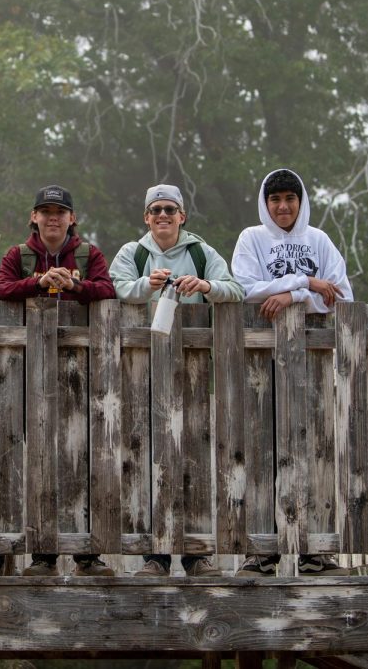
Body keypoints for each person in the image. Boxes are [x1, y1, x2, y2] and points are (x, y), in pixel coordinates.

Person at [109, 183, 243, 577]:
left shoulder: (202, 253)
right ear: (146, 218)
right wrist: (145, 285)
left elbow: (235, 289)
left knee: (195, 457)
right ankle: (155, 556)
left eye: (170, 209)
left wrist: (204, 286)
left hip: (195, 371)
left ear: (182, 216)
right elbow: (114, 288)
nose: (163, 216)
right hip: (141, 369)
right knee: (145, 455)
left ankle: (195, 554)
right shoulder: (132, 254)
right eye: (156, 210)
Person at [231, 167, 353, 576]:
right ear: (265, 203)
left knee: (316, 446)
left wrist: (290, 294)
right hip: (260, 359)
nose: (283, 207)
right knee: (262, 449)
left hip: (313, 360)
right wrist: (307, 283)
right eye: (275, 199)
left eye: (290, 199)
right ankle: (262, 547)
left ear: (301, 202)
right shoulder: (252, 238)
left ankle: (316, 547)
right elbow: (243, 288)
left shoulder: (318, 240)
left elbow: (341, 295)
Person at [0, 184, 116, 577]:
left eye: (60, 212)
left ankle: (87, 554)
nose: (52, 218)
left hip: (81, 368)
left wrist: (75, 285)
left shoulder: (88, 254)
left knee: (83, 457)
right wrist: (41, 282)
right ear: (34, 217)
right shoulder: (18, 255)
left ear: (71, 218)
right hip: (28, 367)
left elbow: (108, 290)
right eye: (45, 211)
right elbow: (0, 289)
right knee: (33, 457)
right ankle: (42, 554)